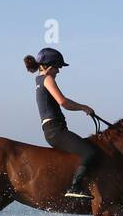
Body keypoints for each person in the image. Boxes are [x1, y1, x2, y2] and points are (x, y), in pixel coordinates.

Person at [23, 47, 101, 199]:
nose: (59, 71)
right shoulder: (47, 79)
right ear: (49, 66)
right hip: (56, 131)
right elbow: (63, 102)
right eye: (58, 67)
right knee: (90, 152)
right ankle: (75, 187)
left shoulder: (38, 80)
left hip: (51, 129)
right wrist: (84, 107)